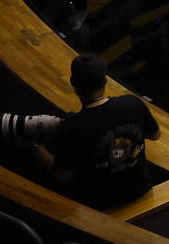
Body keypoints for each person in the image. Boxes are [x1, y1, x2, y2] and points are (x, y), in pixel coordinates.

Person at [29, 52, 161, 209]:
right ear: (105, 80)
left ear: (73, 82)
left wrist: (36, 146)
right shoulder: (132, 103)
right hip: (142, 192)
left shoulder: (73, 127)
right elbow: (156, 135)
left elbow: (60, 175)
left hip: (102, 208)